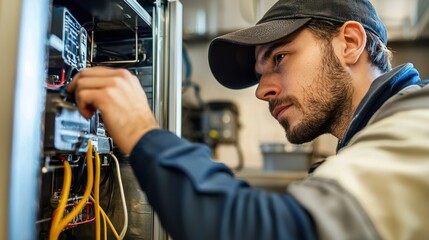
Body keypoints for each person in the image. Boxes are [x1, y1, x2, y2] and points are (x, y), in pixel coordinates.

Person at [68, 0, 429, 239]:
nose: (262, 91)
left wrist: (140, 132)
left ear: (349, 43)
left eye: (280, 59)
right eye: (260, 74)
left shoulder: (419, 118)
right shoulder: (371, 138)